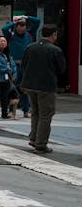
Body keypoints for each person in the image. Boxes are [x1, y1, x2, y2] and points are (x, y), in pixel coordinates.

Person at [20, 25, 66, 154]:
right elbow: (61, 69)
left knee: (35, 112)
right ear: (54, 35)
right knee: (46, 115)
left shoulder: (30, 47)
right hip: (46, 86)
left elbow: (24, 65)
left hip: (30, 85)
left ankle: (34, 138)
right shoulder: (55, 50)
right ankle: (41, 144)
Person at [1, 14, 40, 117]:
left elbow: (37, 22)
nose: (21, 30)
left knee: (26, 88)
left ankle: (26, 111)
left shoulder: (30, 34)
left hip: (27, 66)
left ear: (26, 27)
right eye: (19, 28)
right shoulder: (11, 36)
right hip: (14, 66)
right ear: (16, 27)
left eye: (23, 28)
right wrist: (15, 21)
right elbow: (4, 29)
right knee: (13, 88)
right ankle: (10, 110)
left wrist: (26, 17)